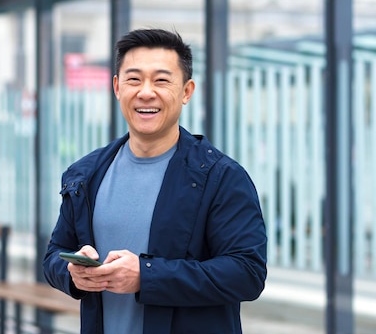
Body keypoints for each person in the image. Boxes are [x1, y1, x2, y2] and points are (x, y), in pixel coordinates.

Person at [43, 28, 267, 334]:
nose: (146, 92)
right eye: (134, 79)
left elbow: (247, 273)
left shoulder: (221, 177)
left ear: (187, 91)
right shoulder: (86, 173)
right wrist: (72, 273)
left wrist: (145, 276)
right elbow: (54, 253)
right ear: (117, 87)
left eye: (161, 80)